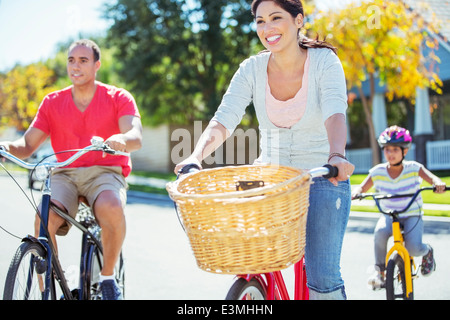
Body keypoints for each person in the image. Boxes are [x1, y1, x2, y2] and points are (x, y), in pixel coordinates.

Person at [175, 0, 355, 300]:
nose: (267, 28)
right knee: (248, 252)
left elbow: (335, 112)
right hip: (270, 177)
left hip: (323, 174)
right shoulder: (252, 69)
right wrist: (196, 156)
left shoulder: (324, 61)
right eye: (260, 21)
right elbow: (224, 118)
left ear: (298, 20)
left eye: (275, 18)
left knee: (322, 276)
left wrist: (337, 154)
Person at [0, 39, 143, 300]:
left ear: (97, 65)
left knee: (111, 206)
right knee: (43, 218)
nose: (75, 65)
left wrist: (122, 140)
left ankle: (109, 278)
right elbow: (27, 144)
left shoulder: (118, 97)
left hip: (105, 171)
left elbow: (135, 134)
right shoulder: (53, 102)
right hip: (65, 172)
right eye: (71, 60)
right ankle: (55, 282)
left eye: (83, 60)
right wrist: (6, 148)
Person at [351, 125, 446, 290]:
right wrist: (357, 192)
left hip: (411, 214)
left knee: (414, 248)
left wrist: (437, 183)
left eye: (395, 149)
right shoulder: (377, 171)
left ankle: (427, 252)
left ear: (405, 151)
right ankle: (380, 272)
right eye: (387, 149)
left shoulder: (413, 168)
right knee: (380, 233)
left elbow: (431, 178)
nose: (391, 153)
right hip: (389, 214)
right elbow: (362, 187)